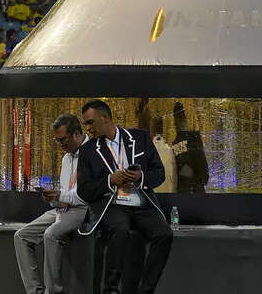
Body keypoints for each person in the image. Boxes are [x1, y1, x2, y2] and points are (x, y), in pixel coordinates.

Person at [79, 99, 174, 294]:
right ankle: (110, 289)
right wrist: (110, 180)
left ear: (105, 118)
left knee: (165, 234)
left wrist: (141, 177)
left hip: (142, 203)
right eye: (85, 123)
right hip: (112, 204)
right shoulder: (88, 151)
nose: (87, 128)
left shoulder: (140, 138)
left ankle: (145, 290)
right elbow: (84, 190)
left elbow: (159, 174)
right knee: (119, 229)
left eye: (90, 122)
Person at [16, 113, 89, 294]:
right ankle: (34, 291)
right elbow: (66, 190)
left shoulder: (92, 154)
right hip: (63, 208)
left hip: (82, 208)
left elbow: (86, 195)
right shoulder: (66, 158)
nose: (60, 144)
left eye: (63, 140)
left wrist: (61, 195)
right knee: (21, 236)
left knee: (50, 234)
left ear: (77, 134)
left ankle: (53, 291)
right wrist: (53, 198)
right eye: (57, 140)